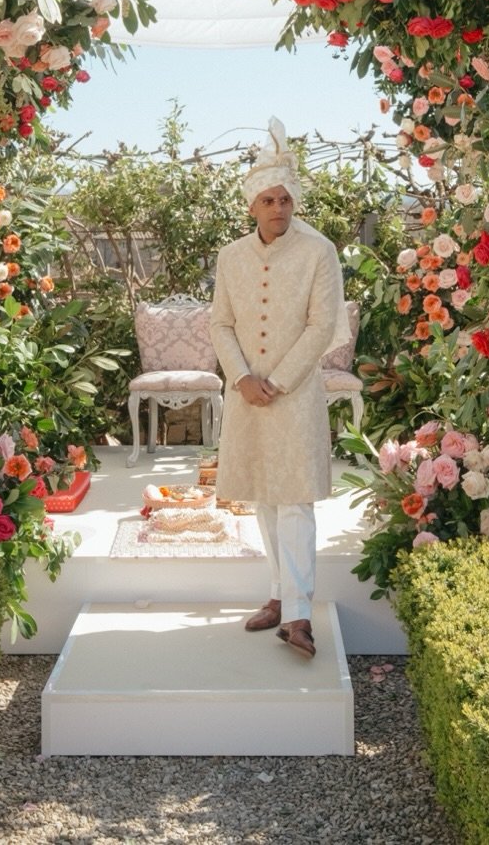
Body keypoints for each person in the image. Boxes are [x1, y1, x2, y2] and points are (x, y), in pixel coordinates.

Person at [209, 117, 349, 659]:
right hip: (247, 394)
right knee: (264, 498)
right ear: (252, 206)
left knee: (295, 500)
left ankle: (298, 614)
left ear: (295, 202)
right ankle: (277, 594)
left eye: (285, 199)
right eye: (268, 200)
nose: (278, 209)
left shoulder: (319, 252)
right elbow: (221, 323)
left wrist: (279, 380)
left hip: (295, 394)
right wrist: (242, 378)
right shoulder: (231, 257)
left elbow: (322, 325)